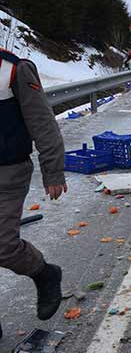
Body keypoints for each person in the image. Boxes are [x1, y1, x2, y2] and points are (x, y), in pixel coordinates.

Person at [0, 48, 66, 336]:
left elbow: (42, 122)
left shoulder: (13, 69)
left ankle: (44, 273)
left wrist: (52, 171)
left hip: (8, 171)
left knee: (2, 245)